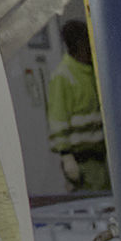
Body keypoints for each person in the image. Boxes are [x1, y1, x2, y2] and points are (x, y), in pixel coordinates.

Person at [46, 18, 108, 193]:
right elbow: (57, 120)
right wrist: (66, 157)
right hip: (81, 162)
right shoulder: (63, 76)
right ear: (78, 45)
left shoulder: (93, 72)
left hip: (102, 157)